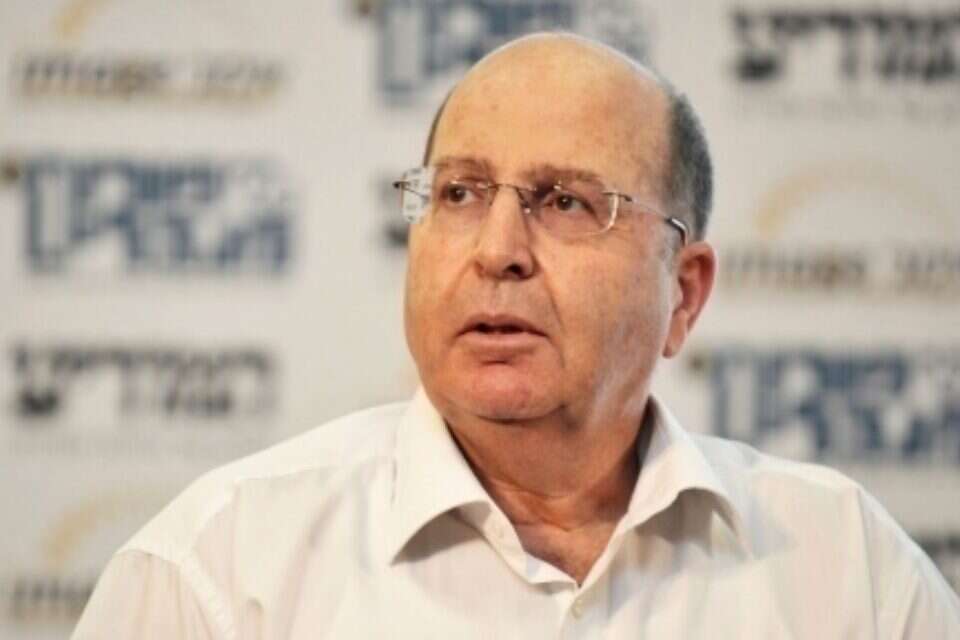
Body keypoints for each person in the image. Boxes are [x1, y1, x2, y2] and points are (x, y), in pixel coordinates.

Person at [73, 33, 959, 639]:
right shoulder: (217, 575)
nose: (497, 250)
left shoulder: (849, 571)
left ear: (684, 293)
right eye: (459, 193)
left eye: (566, 201)